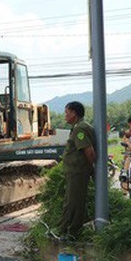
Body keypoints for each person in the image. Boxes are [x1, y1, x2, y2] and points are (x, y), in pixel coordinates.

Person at [58, 101, 96, 238]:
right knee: (70, 201)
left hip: (78, 172)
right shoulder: (78, 127)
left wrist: (92, 169)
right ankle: (63, 229)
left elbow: (89, 151)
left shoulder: (80, 129)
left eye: (66, 113)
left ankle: (73, 232)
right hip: (75, 172)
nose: (65, 116)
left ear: (74, 113)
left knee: (75, 202)